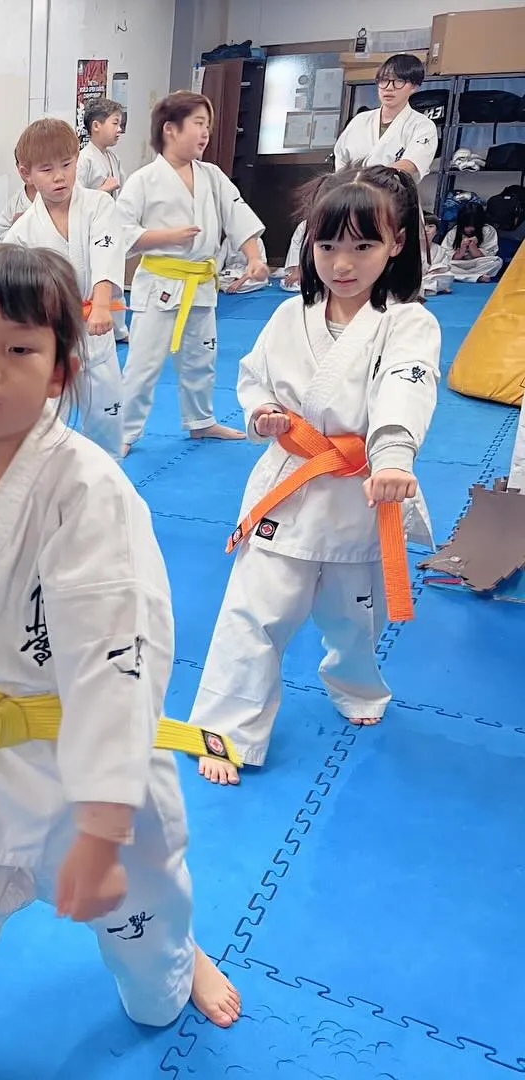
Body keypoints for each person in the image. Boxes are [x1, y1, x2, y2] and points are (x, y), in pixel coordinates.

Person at [0, 245, 241, 1080]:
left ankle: (178, 967)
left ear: (62, 371)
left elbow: (115, 667)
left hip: (92, 769)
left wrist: (102, 832)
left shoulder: (88, 492)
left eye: (20, 349)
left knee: (147, 941)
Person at [190, 166, 438, 786]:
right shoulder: (285, 318)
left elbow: (406, 391)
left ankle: (352, 682)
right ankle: (225, 734)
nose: (342, 263)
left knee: (354, 620)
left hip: (361, 492)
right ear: (308, 243)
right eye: (327, 246)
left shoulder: (409, 324)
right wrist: (261, 415)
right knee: (250, 615)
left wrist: (393, 459)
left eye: (364, 246)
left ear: (397, 244)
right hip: (291, 484)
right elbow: (253, 380)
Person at [116, 91, 268, 455]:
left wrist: (253, 256)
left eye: (207, 126)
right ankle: (123, 431)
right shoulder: (143, 180)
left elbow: (237, 212)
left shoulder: (212, 175)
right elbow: (119, 231)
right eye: (198, 124)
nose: (205, 134)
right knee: (143, 363)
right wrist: (166, 236)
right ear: (170, 129)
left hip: (200, 283)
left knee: (202, 359)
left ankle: (201, 421)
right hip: (159, 284)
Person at [2, 117, 127, 458]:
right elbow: (14, 287)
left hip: (94, 327)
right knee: (38, 422)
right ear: (26, 174)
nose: (59, 176)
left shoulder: (99, 205)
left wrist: (102, 305)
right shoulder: (21, 231)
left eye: (66, 165)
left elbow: (107, 252)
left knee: (104, 418)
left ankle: (103, 483)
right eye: (46, 169)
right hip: (48, 336)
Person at [78, 98, 132, 343]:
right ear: (96, 126)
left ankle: (118, 328)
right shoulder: (84, 158)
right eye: (115, 123)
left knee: (113, 272)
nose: (119, 129)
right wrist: (101, 190)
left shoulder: (112, 158)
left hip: (112, 222)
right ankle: (97, 319)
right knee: (98, 275)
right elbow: (75, 197)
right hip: (91, 228)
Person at [333, 54, 438, 179]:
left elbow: (412, 163)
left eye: (399, 81)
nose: (388, 88)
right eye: (384, 80)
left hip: (394, 193)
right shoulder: (360, 120)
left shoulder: (422, 126)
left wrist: (370, 178)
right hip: (353, 192)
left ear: (414, 86)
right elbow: (341, 159)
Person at [441, 202, 503, 282]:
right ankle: (476, 277)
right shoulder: (454, 232)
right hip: (457, 263)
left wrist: (473, 247)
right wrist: (461, 250)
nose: (469, 229)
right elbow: (445, 254)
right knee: (442, 264)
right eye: (466, 226)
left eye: (473, 226)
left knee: (497, 262)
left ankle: (462, 276)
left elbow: (489, 253)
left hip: (477, 263)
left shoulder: (488, 230)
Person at [0, 146, 35, 239]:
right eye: (24, 166)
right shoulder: (14, 204)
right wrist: (16, 228)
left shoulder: (52, 196)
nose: (28, 170)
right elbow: (2, 234)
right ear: (18, 167)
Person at [422, 211, 454, 294]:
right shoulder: (410, 247)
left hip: (430, 277)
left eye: (430, 226)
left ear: (436, 231)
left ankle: (430, 287)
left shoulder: (440, 249)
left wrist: (438, 270)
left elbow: (446, 265)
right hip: (413, 279)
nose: (426, 229)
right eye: (423, 226)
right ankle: (432, 287)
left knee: (448, 275)